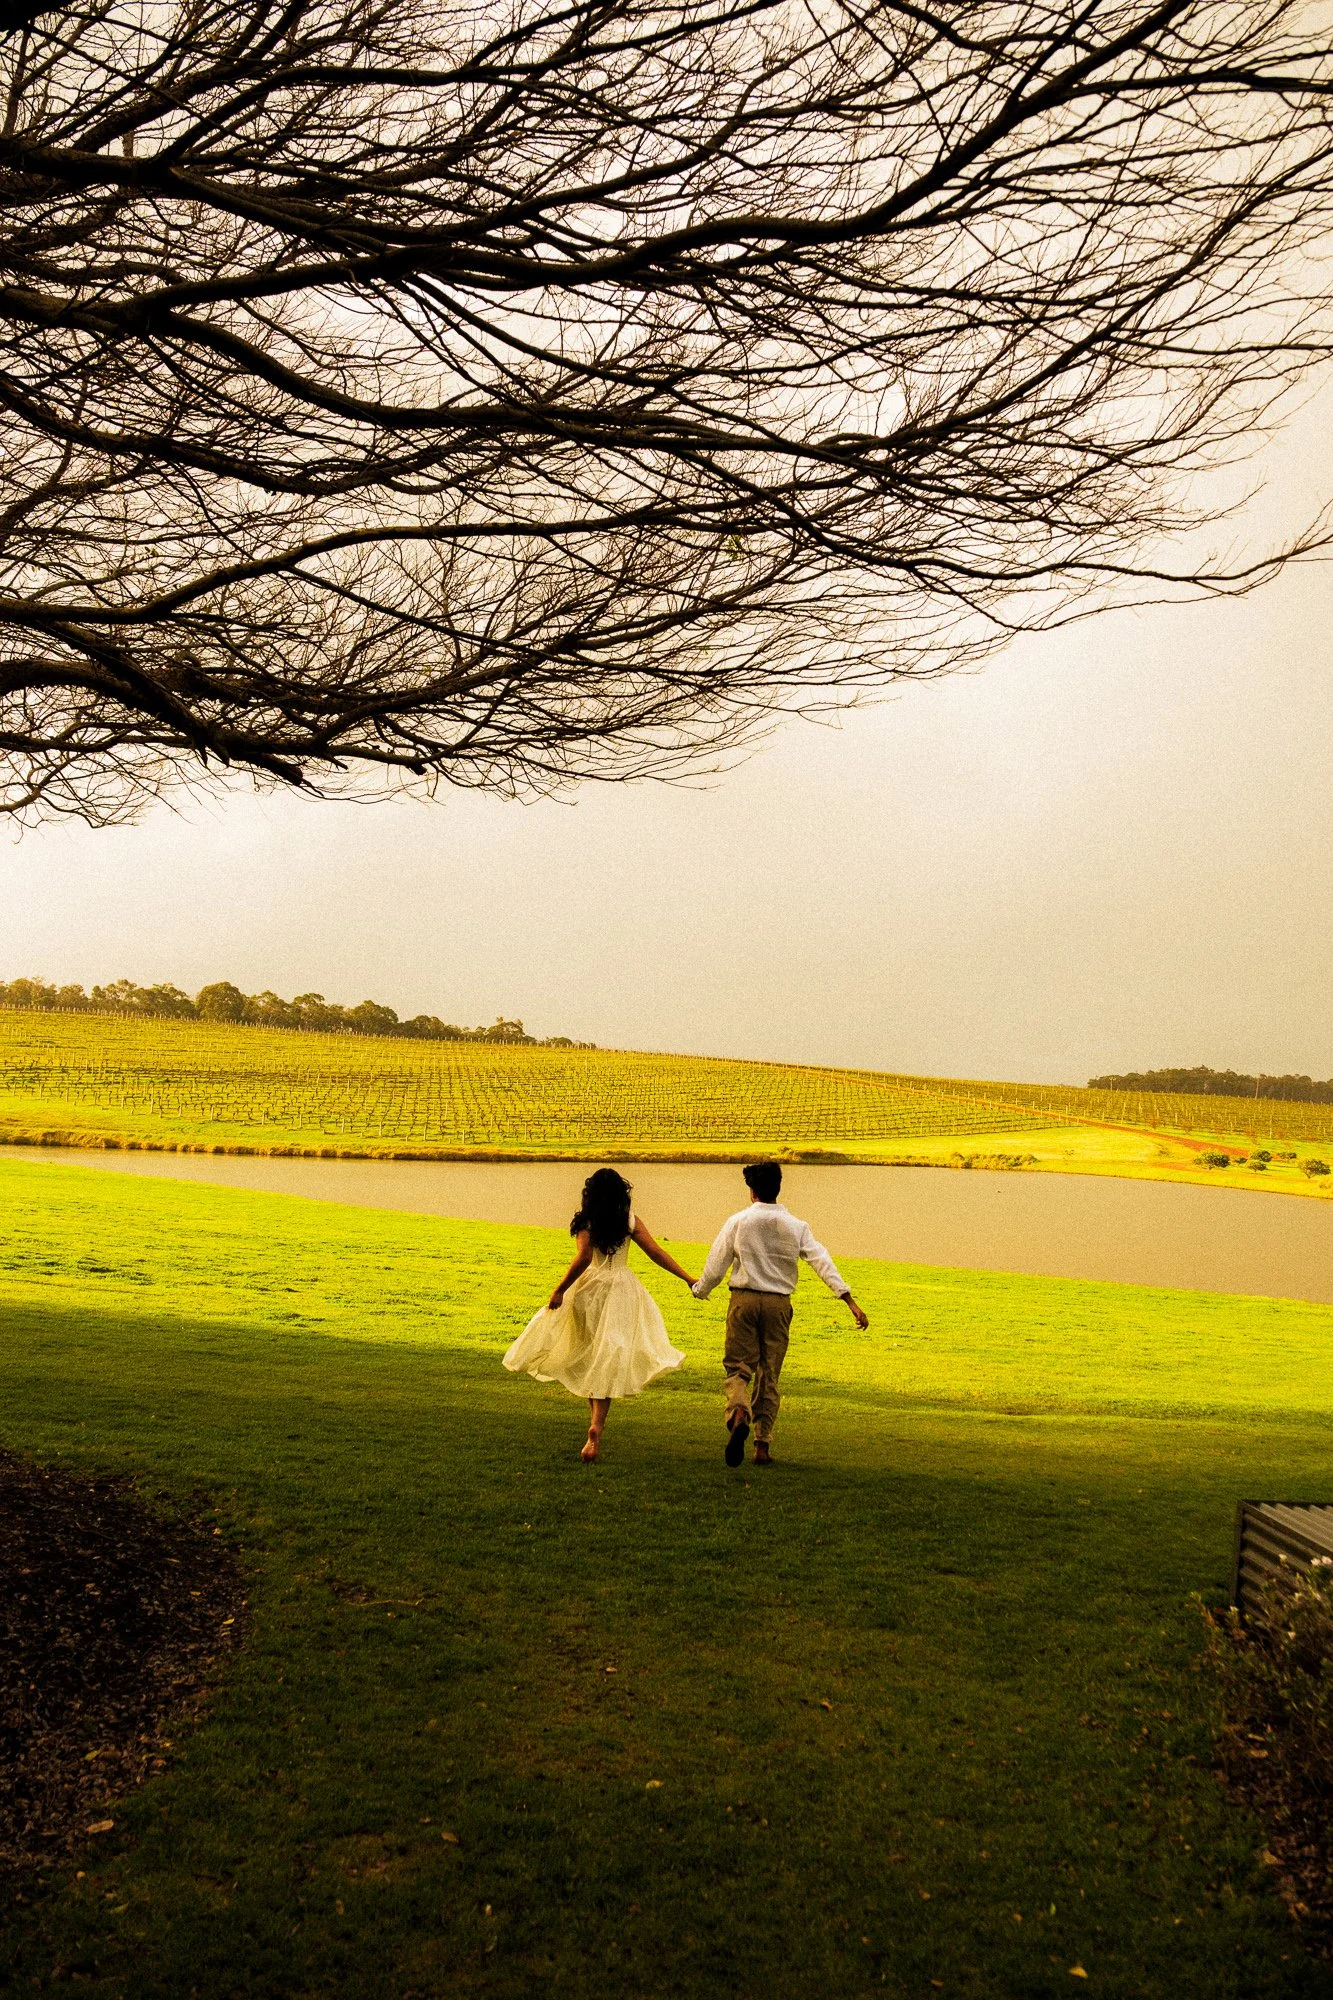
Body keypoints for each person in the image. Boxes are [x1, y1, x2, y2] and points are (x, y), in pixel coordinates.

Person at [503, 1167, 697, 1461]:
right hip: (621, 1290)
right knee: (607, 1357)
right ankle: (596, 1427)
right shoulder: (629, 1220)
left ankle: (593, 1425)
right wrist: (687, 1277)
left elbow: (583, 1259)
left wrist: (560, 1290)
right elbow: (656, 1252)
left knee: (595, 1356)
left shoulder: (587, 1220)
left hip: (589, 1291)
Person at [693, 1161, 868, 1466]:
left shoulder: (738, 1222)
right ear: (778, 1188)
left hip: (743, 1301)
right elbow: (821, 1261)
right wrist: (848, 1299)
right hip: (778, 1305)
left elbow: (716, 1262)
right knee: (769, 1374)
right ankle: (762, 1445)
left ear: (752, 1191)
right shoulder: (797, 1226)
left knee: (738, 1368)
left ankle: (738, 1413)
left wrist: (701, 1289)